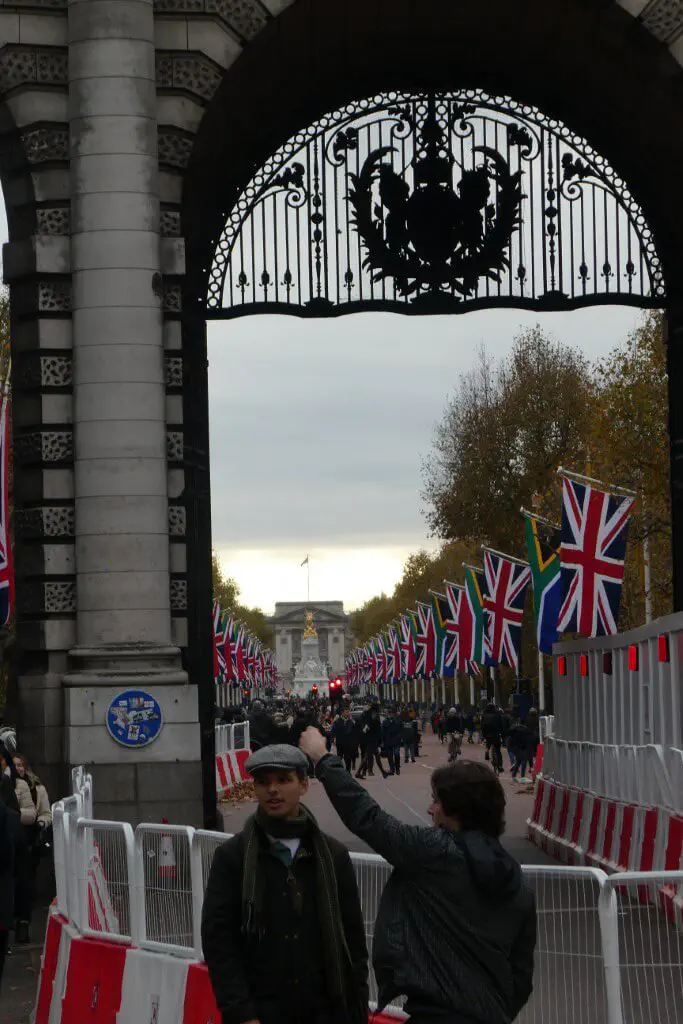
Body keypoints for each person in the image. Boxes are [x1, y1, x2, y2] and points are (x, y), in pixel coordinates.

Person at [299, 729, 536, 1024]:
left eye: (437, 800)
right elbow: (522, 973)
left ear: (456, 809)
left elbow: (366, 816)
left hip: (435, 1013)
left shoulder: (434, 852)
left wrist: (323, 759)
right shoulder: (520, 882)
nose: (430, 809)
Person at [201, 744, 369, 1024]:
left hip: (325, 1012)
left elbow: (353, 940)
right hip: (261, 1012)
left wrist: (356, 1008)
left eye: (284, 780)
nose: (273, 790)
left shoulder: (332, 855)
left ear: (303, 785)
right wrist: (240, 1011)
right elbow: (219, 941)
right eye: (263, 782)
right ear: (254, 789)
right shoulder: (234, 856)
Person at [381, 709, 402, 776]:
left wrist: (400, 737)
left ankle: (397, 768)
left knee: (396, 754)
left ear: (394, 714)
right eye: (389, 713)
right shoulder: (385, 722)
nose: (390, 714)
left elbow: (401, 730)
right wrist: (382, 741)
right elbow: (382, 732)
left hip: (396, 741)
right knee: (389, 756)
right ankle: (392, 769)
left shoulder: (397, 721)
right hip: (388, 741)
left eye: (391, 713)